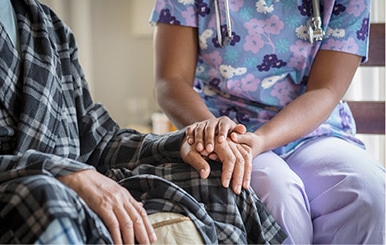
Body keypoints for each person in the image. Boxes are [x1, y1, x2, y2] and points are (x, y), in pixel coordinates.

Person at [0, 0, 289, 244]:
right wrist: (62, 173)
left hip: (75, 181)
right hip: (2, 193)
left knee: (213, 175)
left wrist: (181, 142)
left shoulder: (47, 26)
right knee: (42, 196)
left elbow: (101, 139)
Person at [150, 0, 386, 244]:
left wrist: (262, 139)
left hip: (315, 130)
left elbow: (326, 88)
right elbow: (171, 80)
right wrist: (215, 133)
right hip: (229, 135)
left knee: (369, 193)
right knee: (275, 193)